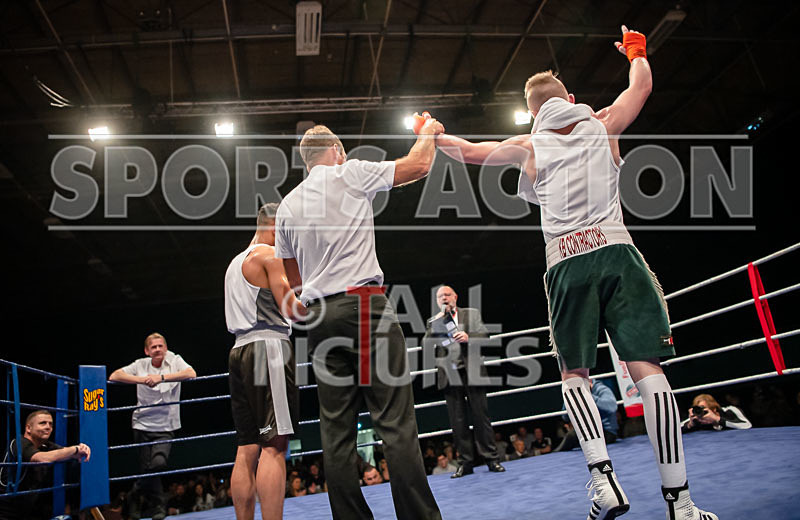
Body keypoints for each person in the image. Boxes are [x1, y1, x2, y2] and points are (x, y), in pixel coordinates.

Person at [434, 25, 717, 520]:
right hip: (617, 251)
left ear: (531, 111)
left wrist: (430, 133)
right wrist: (635, 51)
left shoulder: (530, 145)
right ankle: (682, 504)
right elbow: (643, 86)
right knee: (647, 370)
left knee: (574, 374)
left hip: (565, 261)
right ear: (568, 96)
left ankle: (603, 482)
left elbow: (467, 152)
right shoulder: (602, 122)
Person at [274, 122, 444, 520]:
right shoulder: (349, 173)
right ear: (335, 150)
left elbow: (294, 278)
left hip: (318, 318)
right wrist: (430, 130)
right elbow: (418, 165)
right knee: (395, 422)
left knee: (335, 431)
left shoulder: (287, 205)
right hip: (365, 306)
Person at [224, 202, 307, 520]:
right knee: (275, 446)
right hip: (268, 348)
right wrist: (316, 304)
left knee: (246, 448)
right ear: (275, 226)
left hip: (239, 352)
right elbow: (292, 309)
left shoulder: (234, 263)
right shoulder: (269, 256)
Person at [109, 333, 196, 520]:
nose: (157, 349)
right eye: (153, 347)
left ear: (165, 347)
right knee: (147, 470)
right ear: (147, 351)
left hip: (166, 426)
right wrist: (142, 379)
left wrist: (161, 378)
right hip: (142, 424)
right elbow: (115, 375)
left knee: (158, 464)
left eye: (160, 346)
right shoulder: (140, 365)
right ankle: (155, 510)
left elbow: (191, 373)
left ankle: (133, 494)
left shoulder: (175, 360)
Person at [424, 284, 505, 478]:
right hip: (450, 375)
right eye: (440, 296)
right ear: (437, 301)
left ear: (455, 297)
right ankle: (465, 463)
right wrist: (437, 324)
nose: (444, 298)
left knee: (481, 416)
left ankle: (492, 459)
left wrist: (469, 337)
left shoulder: (471, 314)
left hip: (473, 371)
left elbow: (485, 335)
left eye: (447, 294)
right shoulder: (433, 321)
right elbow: (427, 345)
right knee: (457, 421)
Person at [0, 410, 91, 520]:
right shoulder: (18, 443)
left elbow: (65, 452)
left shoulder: (44, 445)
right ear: (28, 428)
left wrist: (82, 449)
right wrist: (75, 449)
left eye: (50, 424)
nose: (48, 427)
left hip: (25, 510)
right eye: (42, 423)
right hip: (4, 511)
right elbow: (42, 458)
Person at [555, 379, 619, 452]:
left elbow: (612, 407)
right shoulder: (575, 392)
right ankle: (556, 453)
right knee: (573, 435)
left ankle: (555, 453)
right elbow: (565, 417)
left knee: (572, 435)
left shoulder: (601, 389)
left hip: (606, 432)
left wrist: (588, 396)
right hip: (587, 431)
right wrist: (570, 399)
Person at [681, 393, 751, 432]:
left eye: (704, 408)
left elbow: (747, 425)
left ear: (714, 409)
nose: (701, 412)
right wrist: (690, 424)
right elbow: (674, 430)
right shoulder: (698, 417)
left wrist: (717, 419)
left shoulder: (730, 410)